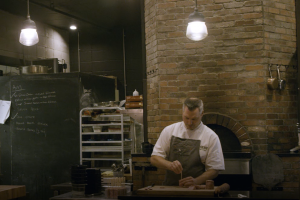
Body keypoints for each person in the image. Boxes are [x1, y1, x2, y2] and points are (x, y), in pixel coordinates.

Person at [150, 97, 225, 187]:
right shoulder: (170, 131)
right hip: (170, 188)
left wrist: (196, 181)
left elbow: (214, 169)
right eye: (186, 118)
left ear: (202, 114)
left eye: (194, 119)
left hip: (196, 190)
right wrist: (169, 165)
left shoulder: (211, 136)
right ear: (182, 113)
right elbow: (154, 158)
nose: (189, 123)